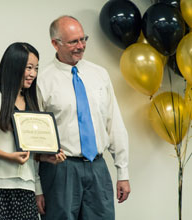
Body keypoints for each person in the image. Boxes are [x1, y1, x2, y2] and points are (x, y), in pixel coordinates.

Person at [36, 15, 131, 220]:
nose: (81, 46)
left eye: (83, 39)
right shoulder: (42, 81)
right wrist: (37, 187)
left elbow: (114, 124)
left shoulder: (100, 75)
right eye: (73, 42)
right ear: (55, 43)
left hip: (97, 167)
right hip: (60, 170)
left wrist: (122, 172)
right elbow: (35, 138)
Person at [0, 42, 65, 220]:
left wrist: (45, 157)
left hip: (25, 188)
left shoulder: (33, 100)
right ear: (14, 66)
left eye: (36, 68)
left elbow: (28, 149)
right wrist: (7, 156)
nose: (33, 74)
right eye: (29, 68)